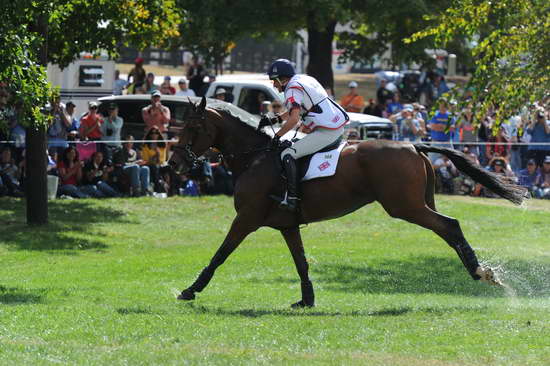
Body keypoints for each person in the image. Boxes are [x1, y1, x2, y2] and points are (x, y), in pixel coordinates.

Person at [267, 59, 349, 211]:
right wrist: (277, 118)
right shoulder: (304, 78)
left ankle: (292, 198)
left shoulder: (291, 89)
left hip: (327, 131)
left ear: (282, 78)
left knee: (287, 154)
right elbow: (299, 109)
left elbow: (294, 119)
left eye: (274, 81)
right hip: (333, 125)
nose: (274, 85)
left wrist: (277, 136)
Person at [140, 126, 169, 193]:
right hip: (150, 165)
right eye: (152, 133)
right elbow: (145, 160)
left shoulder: (162, 145)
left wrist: (157, 154)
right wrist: (156, 155)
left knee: (170, 168)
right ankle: (157, 188)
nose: (154, 135)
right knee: (154, 167)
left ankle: (172, 189)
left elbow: (162, 160)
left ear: (159, 135)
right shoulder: (145, 146)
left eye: (156, 133)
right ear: (149, 135)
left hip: (161, 165)